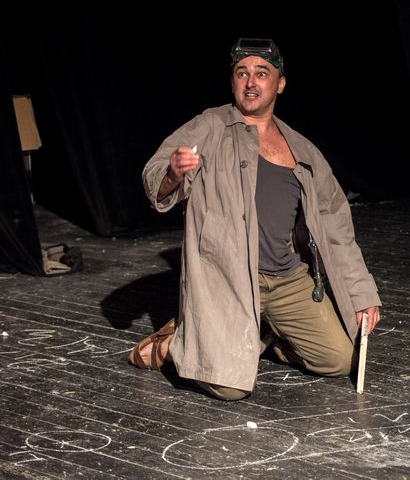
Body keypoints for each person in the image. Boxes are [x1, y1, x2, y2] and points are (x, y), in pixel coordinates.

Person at [129, 38, 382, 399]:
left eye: (261, 74)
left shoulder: (302, 149)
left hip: (287, 280)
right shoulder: (210, 126)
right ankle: (175, 343)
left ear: (280, 83)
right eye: (241, 73)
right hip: (227, 278)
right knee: (229, 388)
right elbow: (155, 175)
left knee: (338, 360)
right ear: (232, 81)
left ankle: (257, 335)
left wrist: (362, 294)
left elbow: (336, 226)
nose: (250, 82)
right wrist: (173, 173)